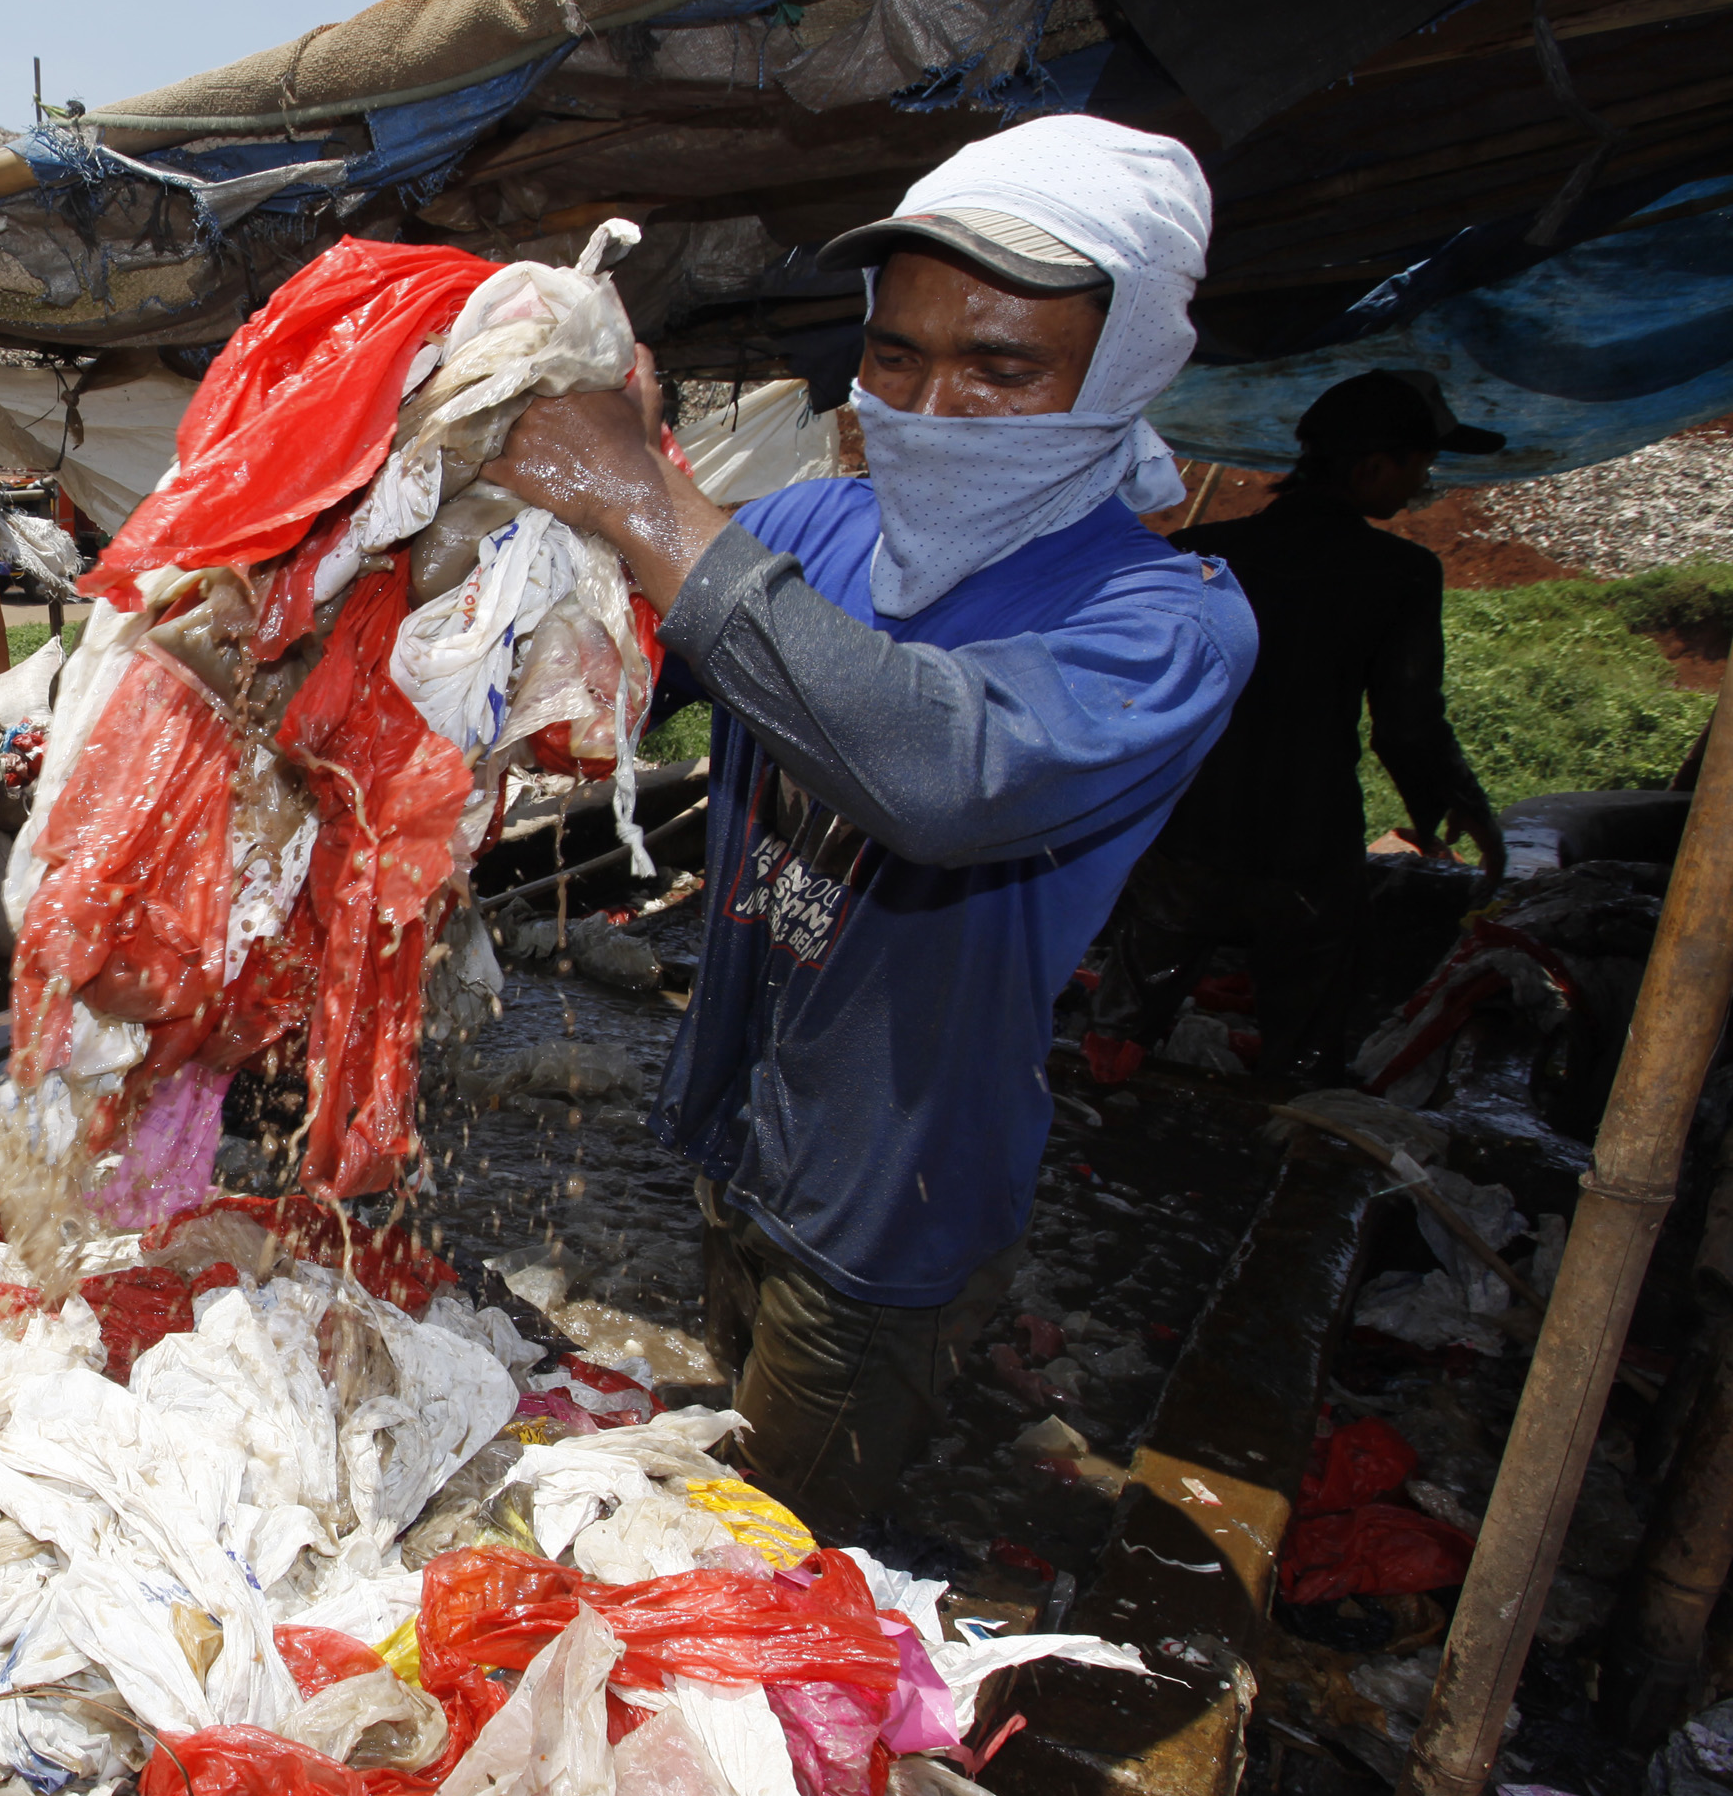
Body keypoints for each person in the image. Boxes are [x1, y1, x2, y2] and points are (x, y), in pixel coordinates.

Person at [484, 115, 1255, 1541]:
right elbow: (623, 662)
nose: (933, 401)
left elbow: (940, 775)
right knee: (721, 1414)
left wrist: (649, 492)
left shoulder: (1165, 622)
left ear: (1128, 368)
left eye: (1003, 365)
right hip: (740, 1130)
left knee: (771, 1550)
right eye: (895, 355)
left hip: (888, 1203)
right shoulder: (827, 527)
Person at [1088, 369, 1507, 1086]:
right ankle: (1281, 1140)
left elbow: (1124, 692)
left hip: (1185, 827)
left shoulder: (1198, 549)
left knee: (1124, 1020)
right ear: (1372, 466)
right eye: (1419, 467)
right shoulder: (1399, 572)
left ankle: (1090, 1113)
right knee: (1305, 1036)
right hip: (1307, 845)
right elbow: (1407, 725)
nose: (1420, 487)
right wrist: (1459, 805)